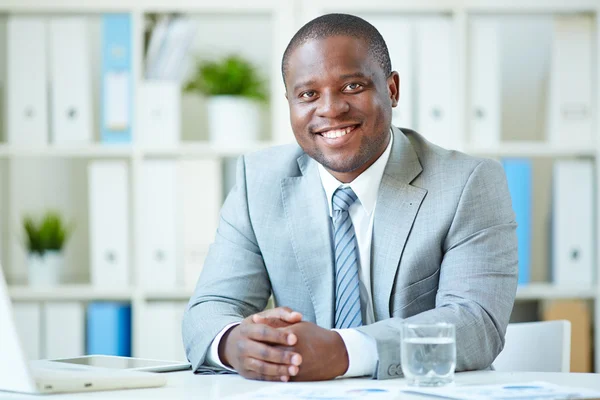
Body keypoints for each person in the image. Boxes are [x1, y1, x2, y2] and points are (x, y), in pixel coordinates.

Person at [182, 13, 518, 382]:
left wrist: (346, 351)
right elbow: (210, 309)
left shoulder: (468, 183)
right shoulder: (258, 182)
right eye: (308, 94)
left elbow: (475, 322)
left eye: (352, 87)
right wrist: (236, 344)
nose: (330, 109)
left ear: (391, 90)